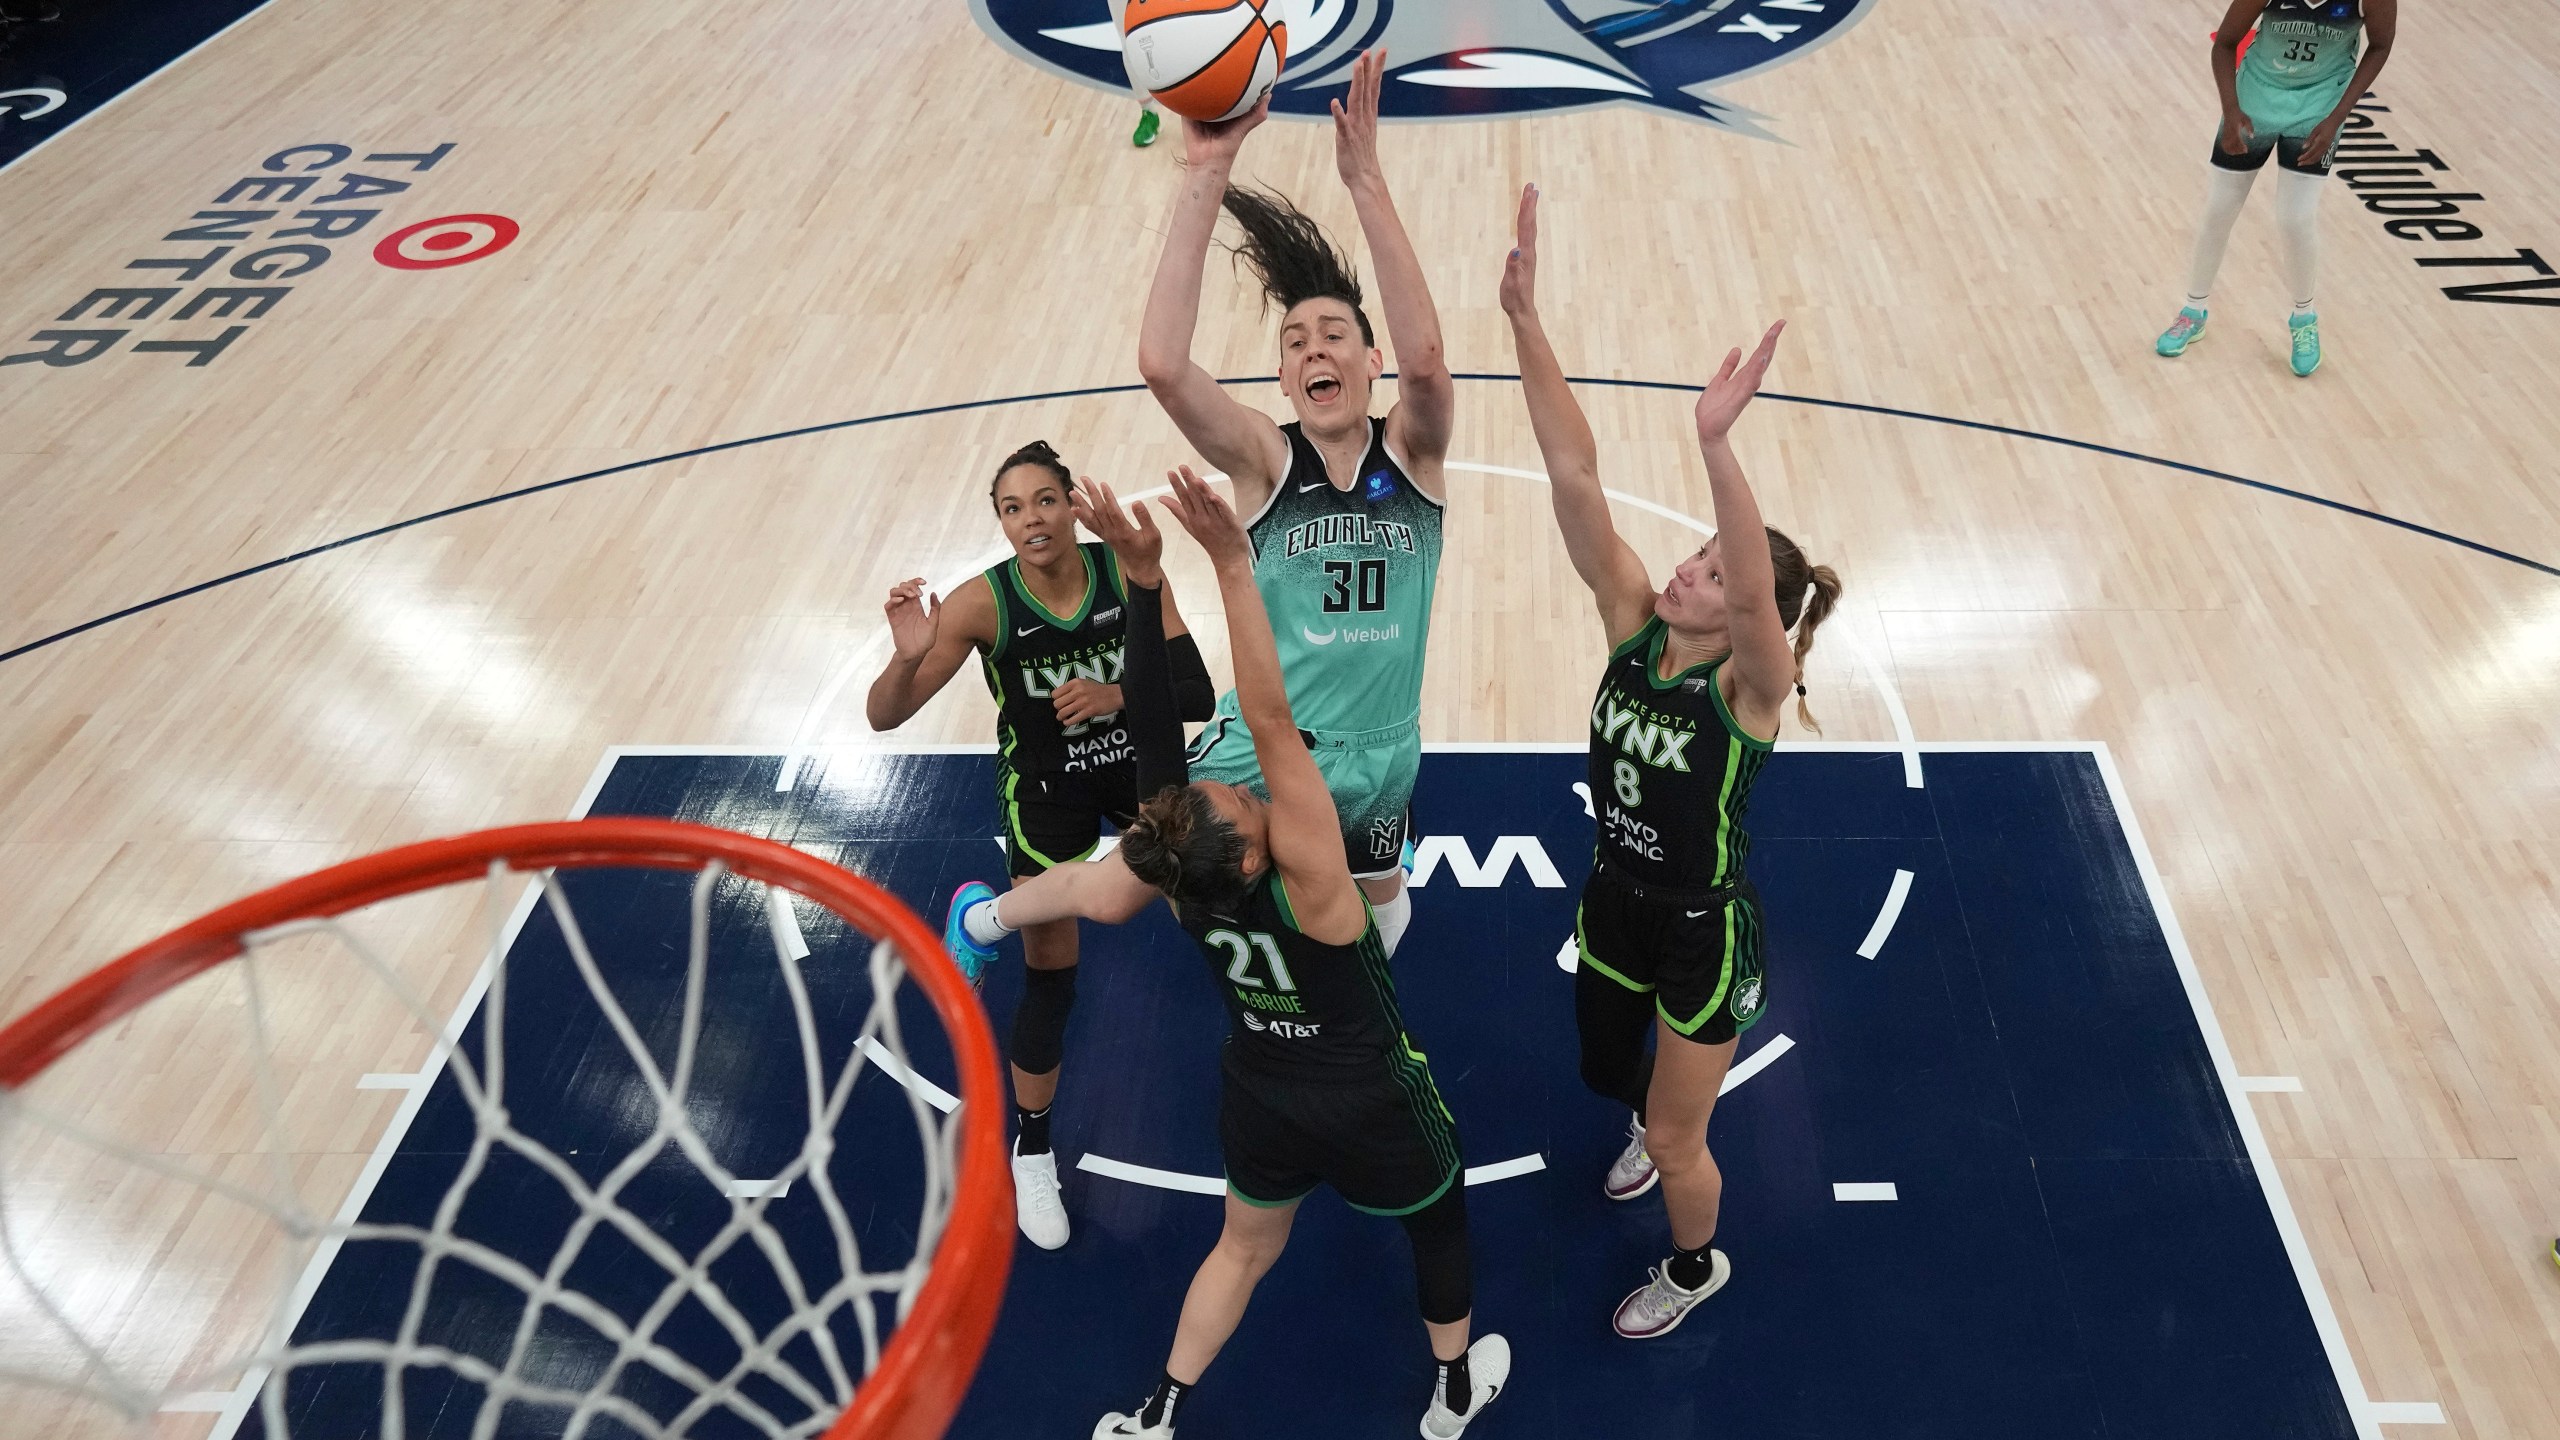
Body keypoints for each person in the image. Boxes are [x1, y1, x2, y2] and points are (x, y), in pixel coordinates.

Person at [947, 49, 1455, 970]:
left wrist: (1367, 181)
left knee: (1382, 918)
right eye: (1296, 341)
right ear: (1287, 380)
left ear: (1368, 363)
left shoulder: (1412, 456)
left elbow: (1428, 362)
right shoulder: (1267, 460)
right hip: (1266, 747)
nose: (1313, 347)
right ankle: (985, 919)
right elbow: (1164, 366)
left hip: (1386, 747)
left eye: (1335, 332)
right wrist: (1204, 173)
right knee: (1126, 889)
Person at [1077, 466, 1505, 1440]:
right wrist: (1233, 561)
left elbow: (1157, 745)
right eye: (1236, 800)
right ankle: (1450, 1394)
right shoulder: (1314, 881)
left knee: (1240, 1250)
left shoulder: (1187, 882)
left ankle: (1156, 1413)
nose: (1226, 784)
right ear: (1260, 847)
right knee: (1436, 1221)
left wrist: (1144, 583)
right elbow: (1270, 721)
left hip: (1263, 1092)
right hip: (1367, 1090)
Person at [1500, 184, 1841, 1339]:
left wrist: (1713, 443)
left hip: (1703, 929)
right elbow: (1575, 476)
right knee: (1615, 1084)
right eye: (1691, 556)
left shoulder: (1754, 688)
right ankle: (1645, 1134)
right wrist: (1523, 323)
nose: (1689, 570)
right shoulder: (1634, 624)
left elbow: (1754, 592)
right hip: (1613, 899)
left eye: (1708, 564)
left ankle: (1695, 1270)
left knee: (1680, 1133)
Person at [867, 439, 1215, 1250]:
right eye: (1012, 508)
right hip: (1047, 792)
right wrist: (906, 660)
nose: (1031, 520)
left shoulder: (1122, 566)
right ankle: (1032, 1146)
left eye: (1045, 500)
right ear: (1002, 523)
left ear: (1071, 503)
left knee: (1202, 901)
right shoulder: (982, 605)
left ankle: (984, 920)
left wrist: (1118, 692)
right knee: (1053, 977)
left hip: (1135, 767)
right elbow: (885, 717)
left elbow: (1194, 691)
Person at [2154, 0, 2398, 377]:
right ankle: (2193, 310)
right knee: (2220, 208)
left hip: (2319, 106)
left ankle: (2304, 319)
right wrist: (2232, 110)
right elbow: (2224, 44)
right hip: (2256, 98)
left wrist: (2336, 118)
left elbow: (2381, 44)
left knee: (2295, 218)